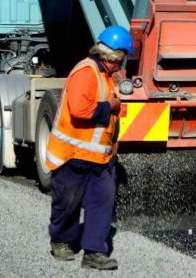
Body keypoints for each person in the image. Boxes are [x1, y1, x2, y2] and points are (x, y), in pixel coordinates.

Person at [45, 25, 133, 271]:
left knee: (102, 202)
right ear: (113, 57)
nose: (122, 65)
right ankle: (61, 240)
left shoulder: (107, 75)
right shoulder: (86, 72)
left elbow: (114, 114)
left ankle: (94, 252)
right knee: (67, 201)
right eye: (122, 59)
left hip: (100, 157)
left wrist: (114, 142)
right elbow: (80, 110)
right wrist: (111, 106)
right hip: (72, 153)